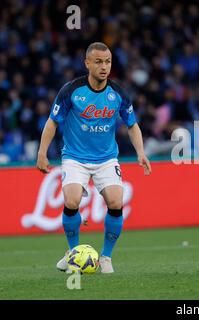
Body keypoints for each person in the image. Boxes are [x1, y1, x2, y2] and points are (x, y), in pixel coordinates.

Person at [36, 42, 151, 273]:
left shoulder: (117, 93)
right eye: (98, 61)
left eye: (107, 62)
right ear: (87, 63)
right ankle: (73, 252)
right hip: (75, 157)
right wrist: (42, 153)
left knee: (116, 203)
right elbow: (52, 122)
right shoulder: (71, 91)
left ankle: (106, 257)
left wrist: (141, 152)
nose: (104, 66)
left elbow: (132, 125)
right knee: (71, 201)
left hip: (107, 158)